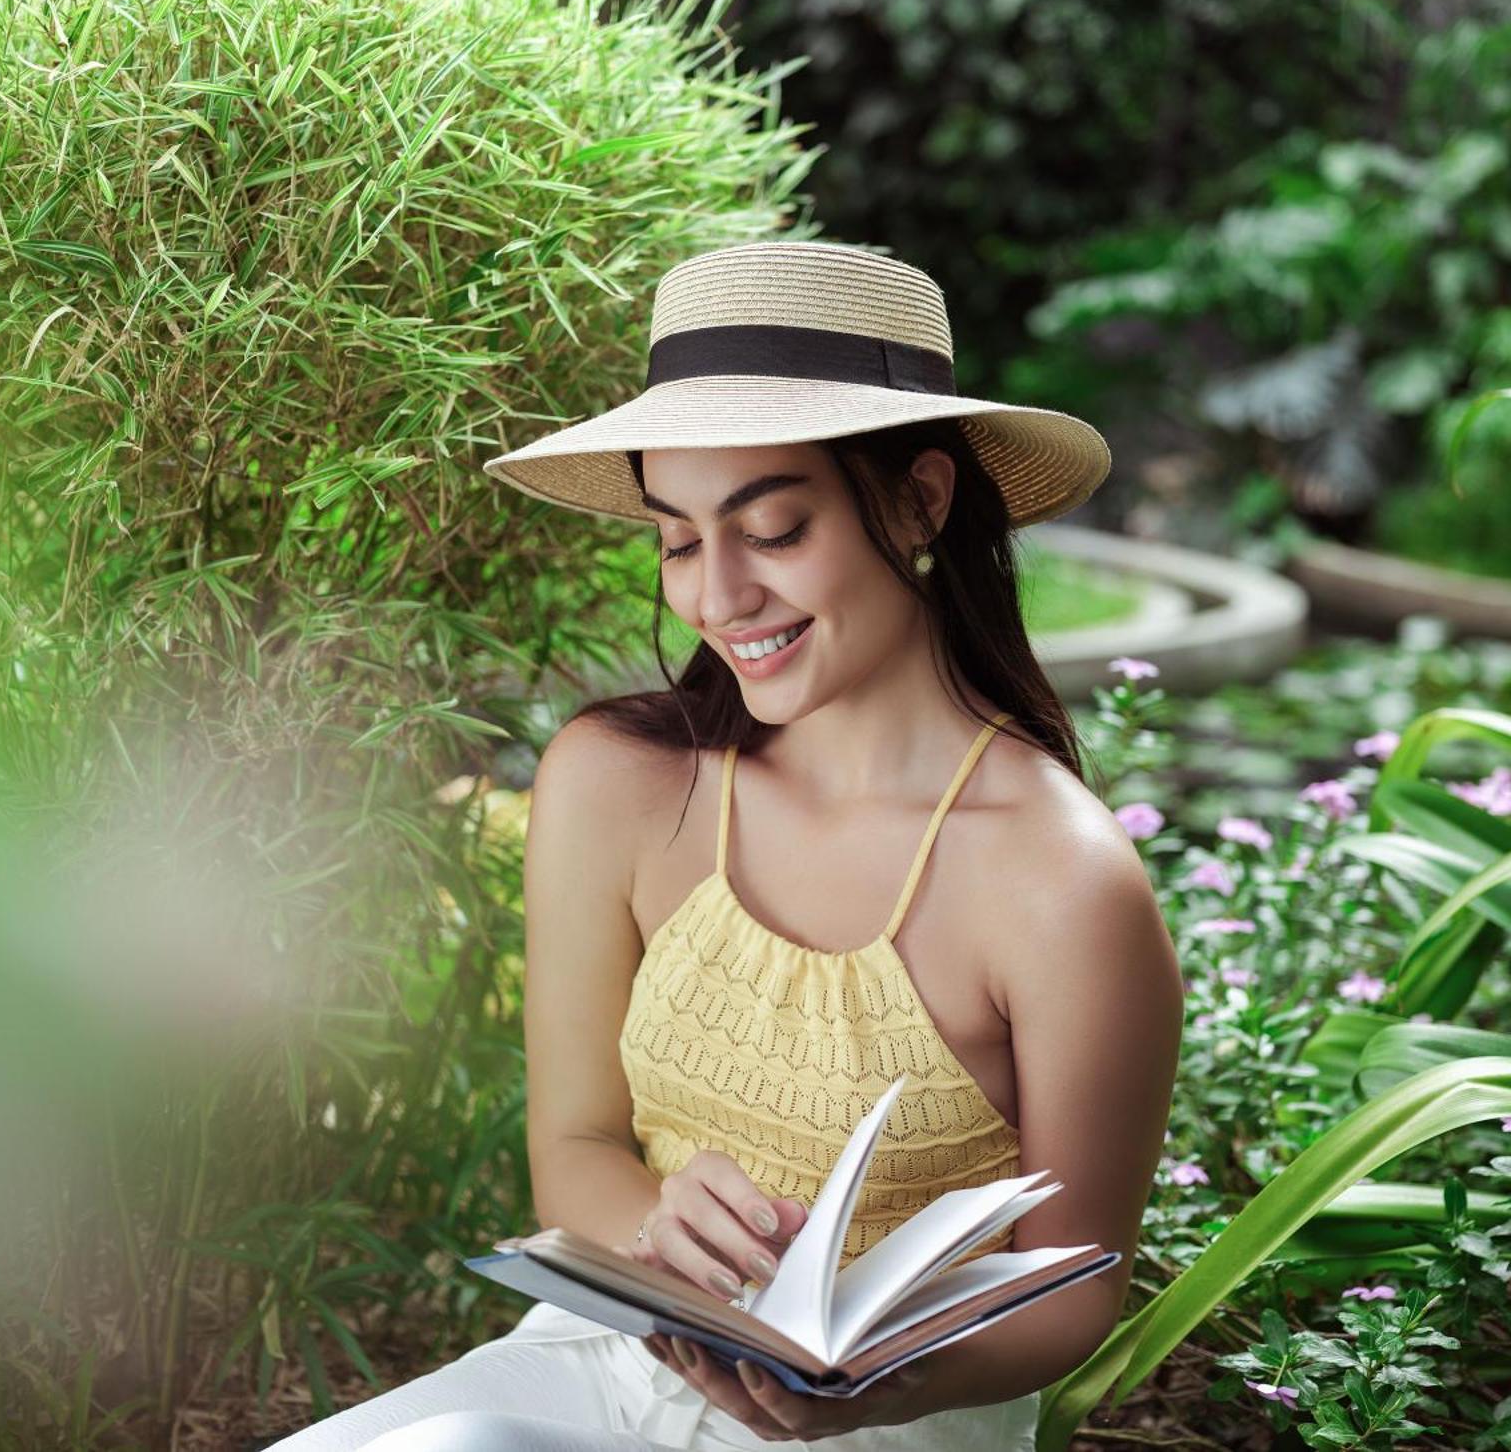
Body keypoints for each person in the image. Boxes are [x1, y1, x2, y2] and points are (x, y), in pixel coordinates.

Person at [269, 240, 1183, 1451]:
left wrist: (876, 1382)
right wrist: (658, 1222)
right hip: (601, 1362)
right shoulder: (617, 785)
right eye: (680, 539)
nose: (716, 598)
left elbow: (1073, 1289)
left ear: (919, 499)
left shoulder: (1059, 882)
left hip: (876, 1425)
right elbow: (577, 1152)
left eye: (773, 528)